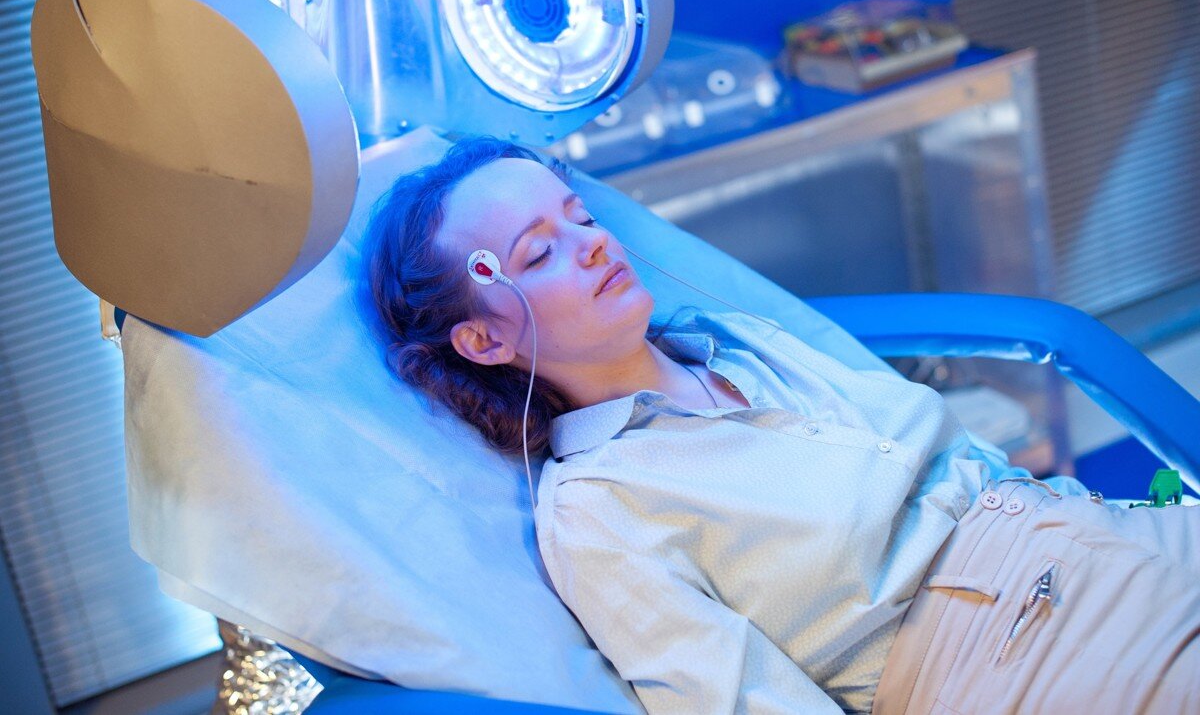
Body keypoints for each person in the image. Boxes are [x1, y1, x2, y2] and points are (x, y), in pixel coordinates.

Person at [363, 135, 1200, 714]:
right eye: (538, 253)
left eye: (580, 216)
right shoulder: (598, 508)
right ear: (485, 340)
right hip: (1006, 659)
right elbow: (740, 700)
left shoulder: (739, 342)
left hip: (1089, 534)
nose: (591, 244)